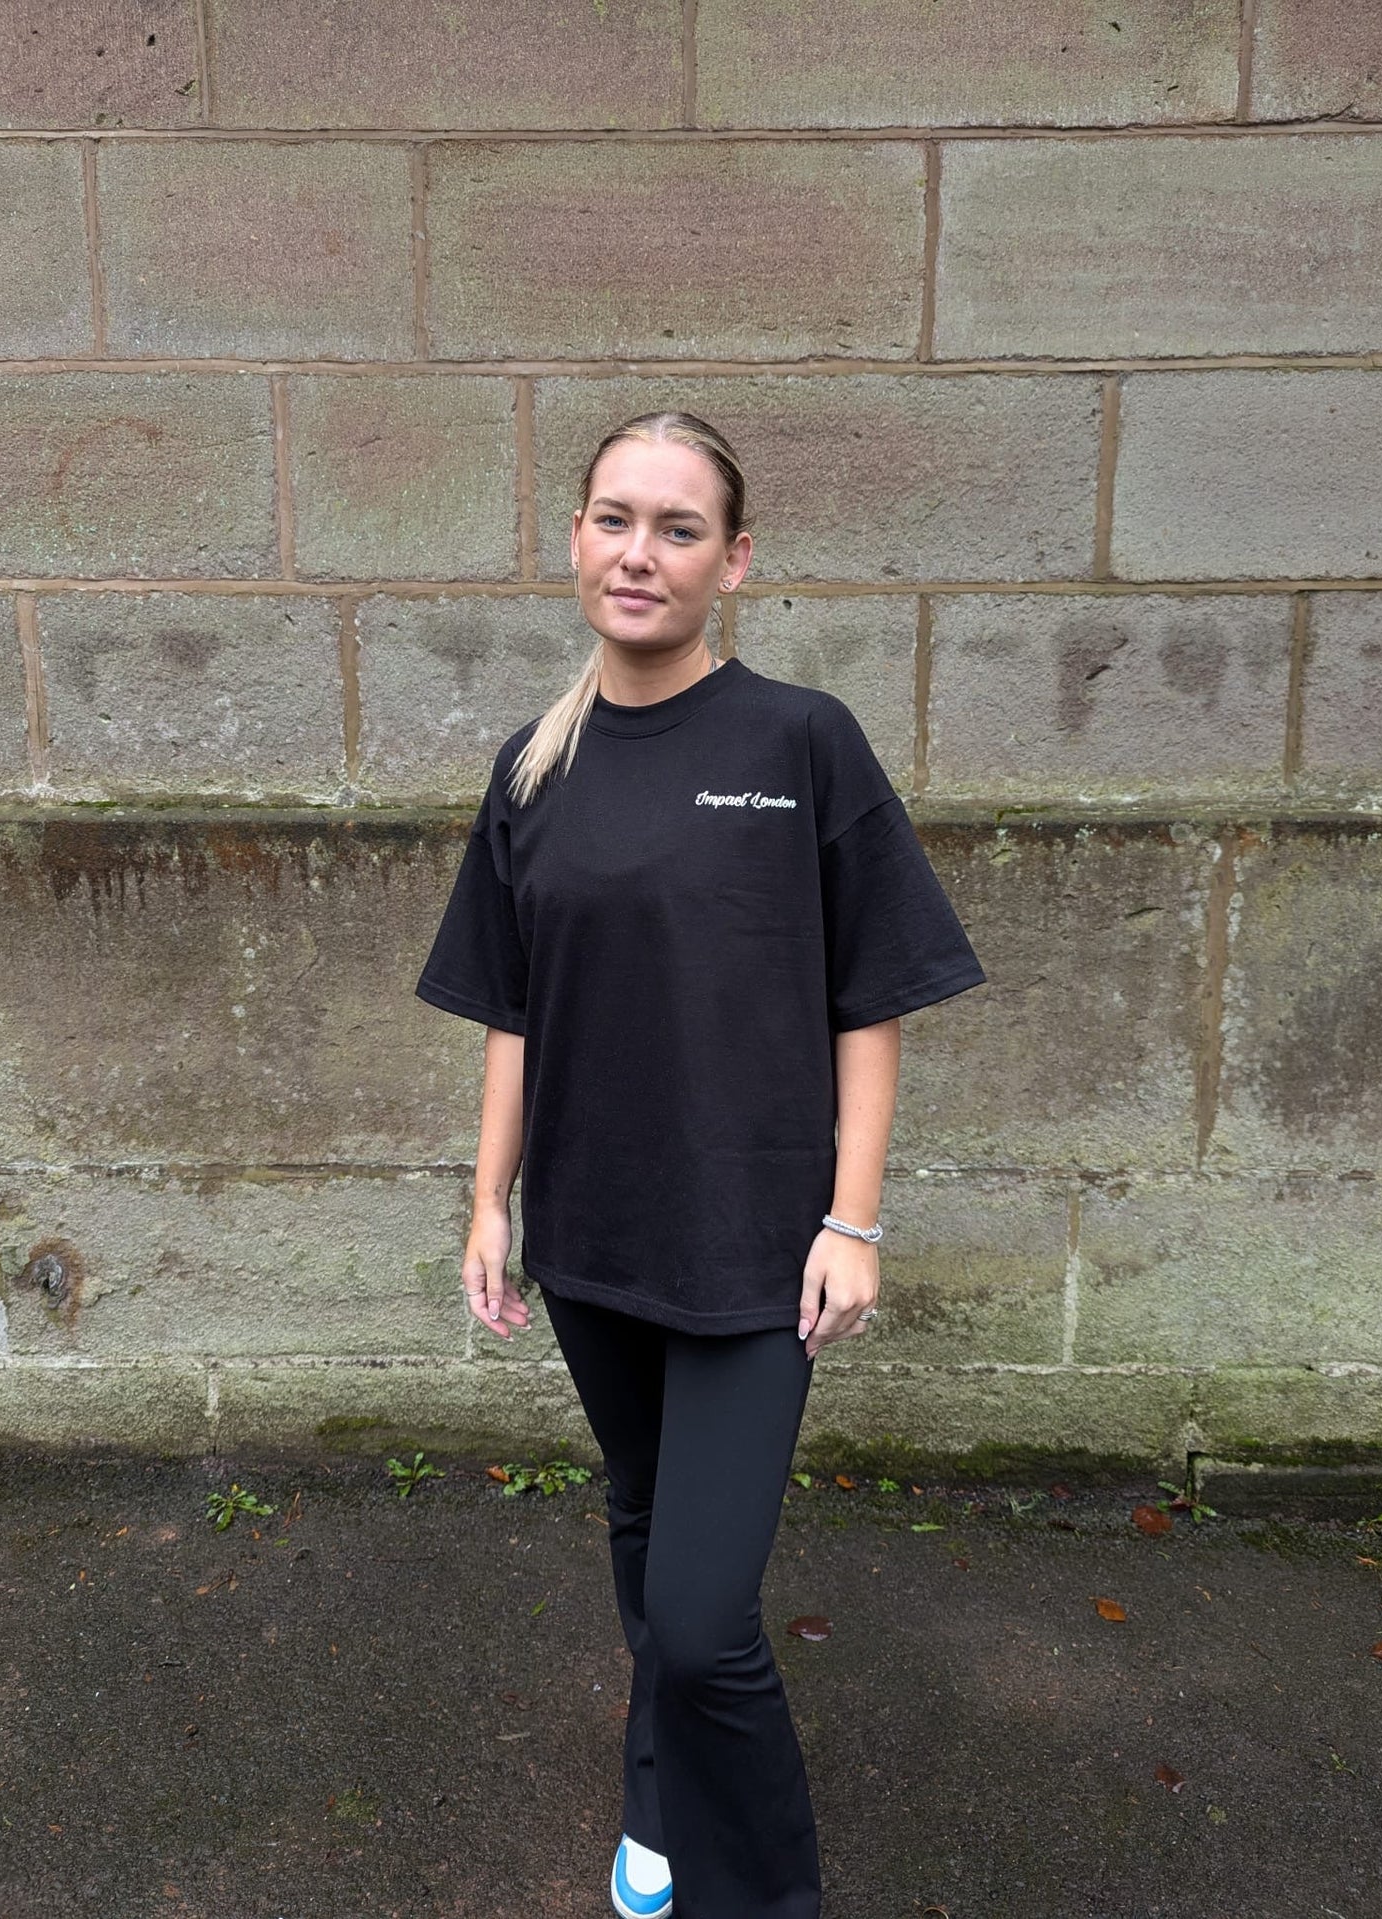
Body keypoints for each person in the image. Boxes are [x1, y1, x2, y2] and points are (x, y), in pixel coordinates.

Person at [415, 411, 986, 1919]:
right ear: (574, 539)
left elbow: (870, 999)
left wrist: (853, 1221)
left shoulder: (800, 741)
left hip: (752, 1246)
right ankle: (656, 1797)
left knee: (700, 1615)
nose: (639, 553)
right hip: (594, 1231)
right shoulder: (532, 769)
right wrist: (486, 1202)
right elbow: (515, 1012)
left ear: (733, 561)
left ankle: (762, 1897)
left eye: (678, 528)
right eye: (614, 518)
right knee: (643, 1527)